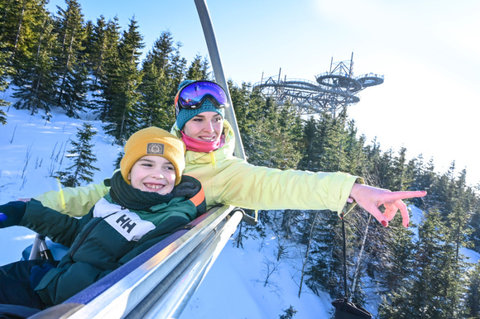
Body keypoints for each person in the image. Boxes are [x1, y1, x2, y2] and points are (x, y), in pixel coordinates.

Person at [36, 80, 425, 228]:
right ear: (182, 123)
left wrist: (353, 190)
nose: (209, 127)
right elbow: (100, 194)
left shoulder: (229, 173)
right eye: (198, 119)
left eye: (215, 119)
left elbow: (284, 185)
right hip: (94, 235)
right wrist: (33, 205)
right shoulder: (157, 157)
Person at [0, 127, 206, 308]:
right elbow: (79, 234)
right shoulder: (116, 197)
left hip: (67, 301)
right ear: (129, 169)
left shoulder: (168, 222)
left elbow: (119, 283)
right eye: (147, 164)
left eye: (168, 167)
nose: (158, 175)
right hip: (55, 277)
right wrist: (25, 213)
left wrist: (50, 281)